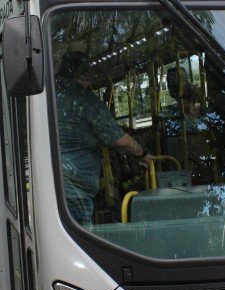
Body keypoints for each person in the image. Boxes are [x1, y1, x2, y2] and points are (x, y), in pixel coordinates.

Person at [55, 51, 154, 225]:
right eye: (88, 76)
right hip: (75, 190)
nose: (90, 83)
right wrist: (144, 155)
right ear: (82, 74)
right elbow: (120, 141)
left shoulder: (50, 96)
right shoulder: (85, 101)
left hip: (52, 183)